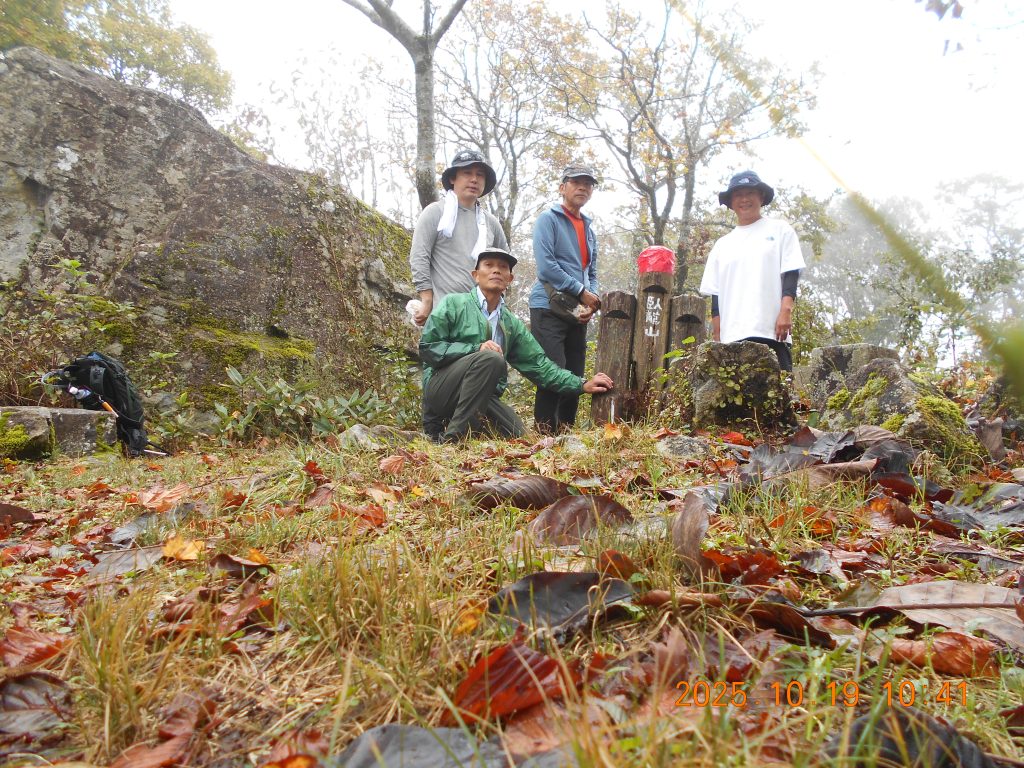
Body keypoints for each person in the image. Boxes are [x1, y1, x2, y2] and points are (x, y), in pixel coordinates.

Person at [420, 247, 614, 443]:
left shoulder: (510, 324)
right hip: (440, 390)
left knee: (519, 436)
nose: (496, 270)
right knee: (491, 358)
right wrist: (475, 348)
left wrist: (582, 384)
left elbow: (540, 366)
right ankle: (454, 440)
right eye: (489, 265)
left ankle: (459, 428)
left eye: (503, 267)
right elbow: (429, 348)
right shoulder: (453, 304)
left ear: (510, 279)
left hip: (481, 397)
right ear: (476, 275)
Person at [698, 170, 805, 371]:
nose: (744, 199)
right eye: (738, 194)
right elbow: (716, 294)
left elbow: (791, 273)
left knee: (777, 397)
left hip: (771, 331)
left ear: (761, 197)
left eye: (750, 193)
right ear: (730, 201)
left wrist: (786, 312)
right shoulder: (722, 245)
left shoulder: (780, 230)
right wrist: (717, 333)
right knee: (734, 401)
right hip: (732, 337)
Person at [528, 164, 601, 433]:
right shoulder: (548, 219)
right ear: (563, 187)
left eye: (588, 184)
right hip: (548, 307)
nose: (582, 187)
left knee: (575, 371)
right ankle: (544, 434)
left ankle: (567, 434)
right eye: (576, 182)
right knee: (552, 370)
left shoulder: (589, 229)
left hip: (576, 311)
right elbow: (546, 266)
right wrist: (581, 292)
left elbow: (591, 271)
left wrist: (591, 300)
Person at [409, 148, 508, 327]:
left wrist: (499, 303)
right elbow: (419, 255)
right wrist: (427, 298)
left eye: (480, 174)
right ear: (453, 178)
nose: (474, 179)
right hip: (445, 313)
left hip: (484, 316)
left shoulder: (491, 223)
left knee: (491, 355)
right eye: (467, 173)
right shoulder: (435, 212)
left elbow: (506, 264)